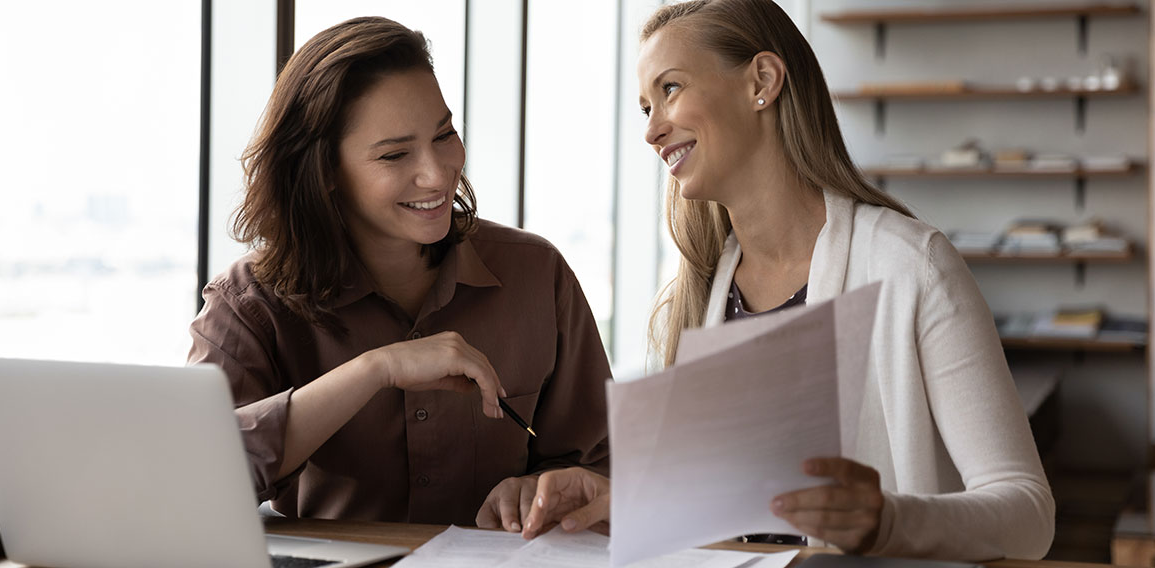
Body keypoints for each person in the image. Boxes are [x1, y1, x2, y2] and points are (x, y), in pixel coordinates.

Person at [519, 0, 1054, 561]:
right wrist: (622, 499)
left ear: (763, 81)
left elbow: (1029, 513)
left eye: (670, 89)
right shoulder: (700, 295)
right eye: (645, 106)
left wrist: (887, 521)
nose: (652, 130)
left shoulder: (913, 267)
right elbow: (735, 522)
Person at [187, 16, 609, 529]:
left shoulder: (537, 274)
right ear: (323, 172)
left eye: (444, 134)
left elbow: (603, 466)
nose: (437, 174)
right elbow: (193, 476)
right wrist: (374, 370)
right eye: (394, 154)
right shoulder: (248, 302)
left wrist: (546, 490)